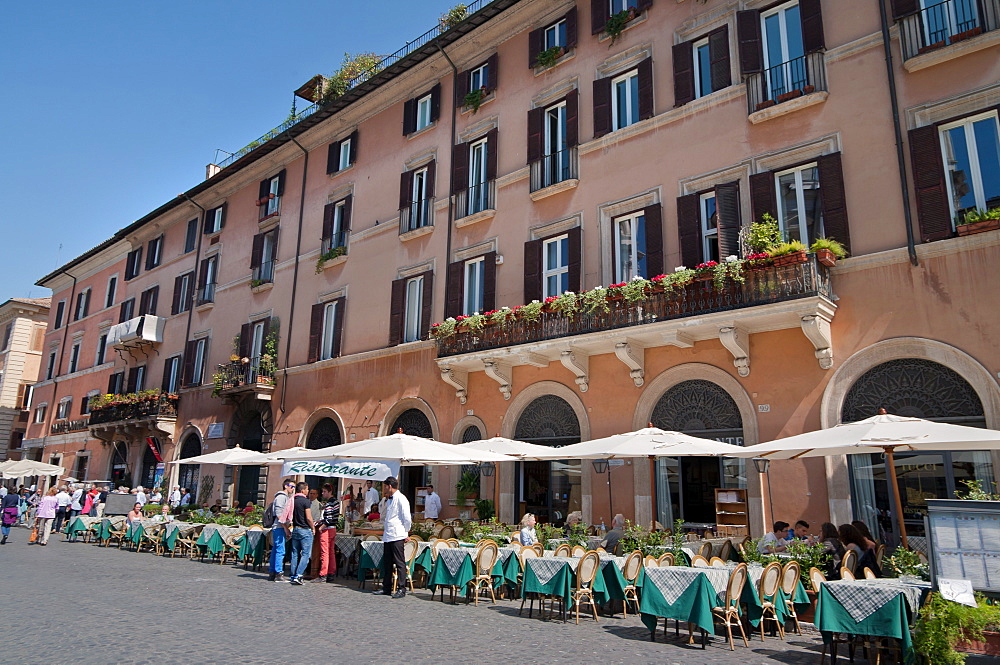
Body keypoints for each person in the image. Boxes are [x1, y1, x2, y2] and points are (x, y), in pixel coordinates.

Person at [375, 476, 411, 598]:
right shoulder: (389, 500)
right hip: (388, 535)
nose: (384, 489)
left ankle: (402, 588)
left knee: (400, 563)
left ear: (389, 486)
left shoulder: (401, 499)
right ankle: (386, 587)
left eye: (385, 486)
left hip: (397, 534)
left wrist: (405, 532)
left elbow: (407, 518)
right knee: (387, 563)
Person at [282, 482, 314, 585]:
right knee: (305, 554)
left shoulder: (292, 500)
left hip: (295, 528)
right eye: (307, 489)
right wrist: (313, 527)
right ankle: (299, 575)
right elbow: (308, 518)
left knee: (295, 554)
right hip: (305, 530)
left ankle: (293, 575)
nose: (308, 491)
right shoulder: (305, 501)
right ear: (303, 490)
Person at [268, 479, 295, 582]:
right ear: (286, 486)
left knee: (276, 550)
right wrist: (286, 528)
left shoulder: (285, 497)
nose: (293, 489)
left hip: (279, 527)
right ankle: (279, 573)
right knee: (280, 550)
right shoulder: (281, 497)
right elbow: (279, 515)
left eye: (294, 487)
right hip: (279, 527)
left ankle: (272, 572)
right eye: (291, 486)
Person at [314, 483, 340, 583]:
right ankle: (331, 572)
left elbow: (329, 518)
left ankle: (323, 574)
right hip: (333, 529)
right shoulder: (336, 502)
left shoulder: (329, 503)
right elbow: (334, 517)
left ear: (330, 492)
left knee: (324, 552)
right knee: (331, 552)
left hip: (327, 529)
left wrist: (321, 527)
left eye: (324, 491)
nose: (323, 493)